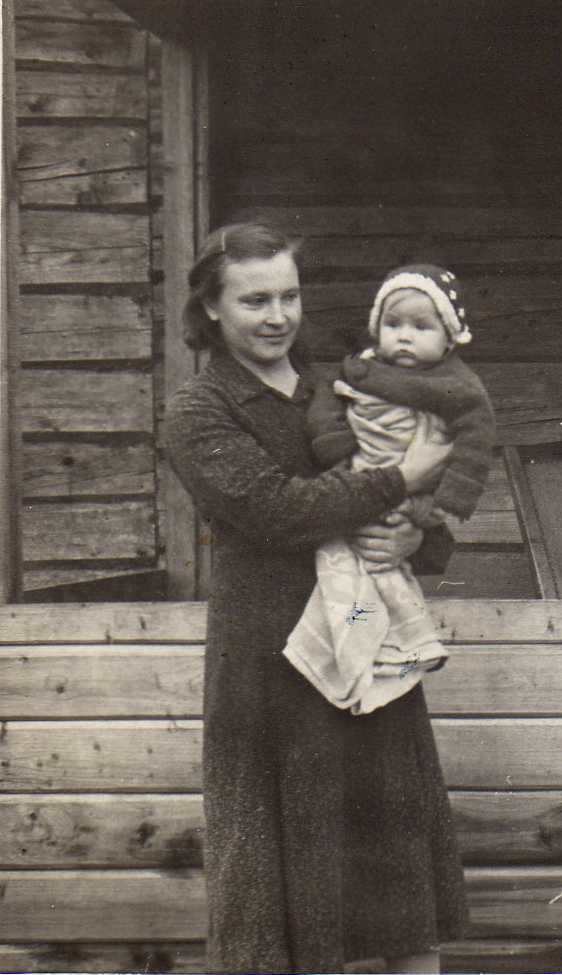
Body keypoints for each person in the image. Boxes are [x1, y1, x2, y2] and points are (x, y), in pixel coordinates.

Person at [161, 223, 469, 973]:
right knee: (282, 896)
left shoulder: (339, 390)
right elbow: (275, 509)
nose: (278, 317)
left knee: (396, 886)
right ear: (210, 309)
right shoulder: (199, 411)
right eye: (255, 300)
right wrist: (397, 479)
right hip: (270, 660)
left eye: (289, 296)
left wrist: (414, 541)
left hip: (368, 634)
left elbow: (416, 513)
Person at [284, 263, 495, 715]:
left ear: (450, 336)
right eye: (392, 324)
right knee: (357, 572)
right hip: (358, 478)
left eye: (421, 327)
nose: (404, 337)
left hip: (411, 500)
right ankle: (374, 647)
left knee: (382, 566)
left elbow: (475, 442)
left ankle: (397, 646)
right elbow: (328, 403)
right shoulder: (361, 370)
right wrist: (336, 449)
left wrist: (442, 504)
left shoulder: (458, 386)